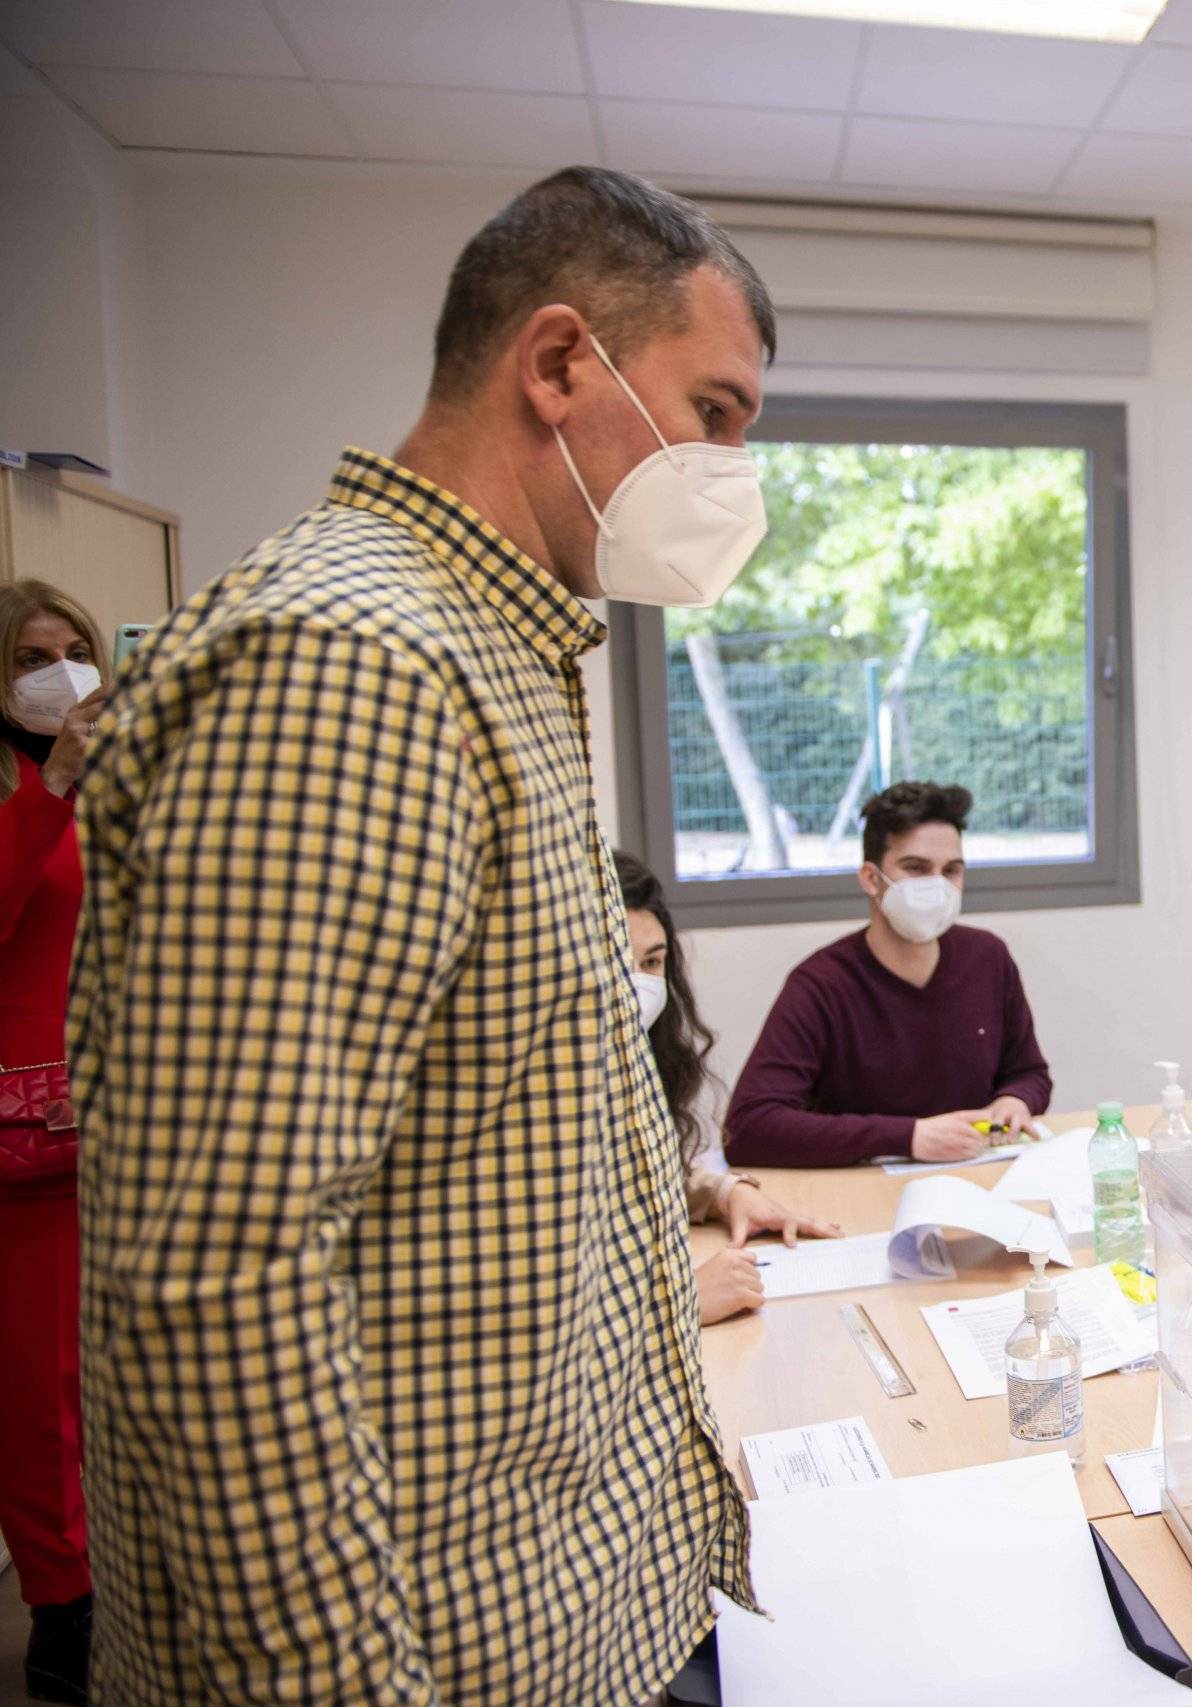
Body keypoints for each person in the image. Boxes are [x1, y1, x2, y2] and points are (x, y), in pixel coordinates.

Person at [68, 166, 777, 1703]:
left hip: (575, 1593)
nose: (733, 471)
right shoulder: (353, 661)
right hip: (443, 1649)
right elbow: (219, 1277)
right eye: (713, 413)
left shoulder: (500, 649)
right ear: (558, 363)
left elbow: (520, 1133)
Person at [726, 780, 1052, 1167]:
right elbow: (749, 1126)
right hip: (868, 1185)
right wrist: (909, 1136)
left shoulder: (988, 957)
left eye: (951, 870)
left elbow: (1029, 1071)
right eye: (916, 868)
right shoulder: (821, 984)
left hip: (978, 1173)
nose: (937, 885)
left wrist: (1016, 1099)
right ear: (870, 878)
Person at [1, 583, 109, 1705]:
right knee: (36, 1399)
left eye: (77, 650)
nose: (63, 673)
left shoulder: (97, 780)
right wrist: (55, 787)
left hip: (108, 1121)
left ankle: (109, 1587)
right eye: (36, 656)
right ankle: (58, 1613)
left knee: (100, 1386)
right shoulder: (29, 793)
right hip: (16, 1143)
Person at [614, 850, 841, 1325]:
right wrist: (678, 1305)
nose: (639, 985)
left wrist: (724, 1193)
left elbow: (631, 1178)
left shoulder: (633, 1060)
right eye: (617, 963)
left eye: (652, 962)